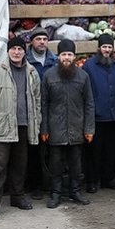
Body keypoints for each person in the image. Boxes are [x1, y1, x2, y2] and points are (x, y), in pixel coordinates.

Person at [0, 36, 41, 221]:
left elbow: (37, 101)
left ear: (25, 51)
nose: (16, 52)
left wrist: (36, 124)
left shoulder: (32, 72)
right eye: (13, 49)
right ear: (8, 51)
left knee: (20, 165)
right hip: (3, 127)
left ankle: (17, 197)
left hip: (23, 126)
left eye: (20, 49)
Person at [41, 39, 95, 207]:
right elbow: (43, 104)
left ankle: (76, 192)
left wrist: (89, 129)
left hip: (76, 128)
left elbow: (89, 103)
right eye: (63, 54)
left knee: (76, 164)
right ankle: (55, 193)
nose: (66, 58)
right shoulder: (49, 76)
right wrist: (44, 129)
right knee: (55, 163)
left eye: (70, 54)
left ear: (74, 56)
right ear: (58, 56)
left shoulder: (83, 76)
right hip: (55, 129)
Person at [82, 34, 115, 193]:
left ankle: (108, 178)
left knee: (111, 150)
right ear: (99, 48)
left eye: (109, 47)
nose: (107, 50)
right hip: (96, 117)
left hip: (114, 116)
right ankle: (92, 180)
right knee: (94, 151)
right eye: (104, 47)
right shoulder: (89, 66)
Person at [24, 26, 57, 200]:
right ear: (32, 41)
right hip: (33, 110)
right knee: (34, 149)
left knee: (53, 150)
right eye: (38, 39)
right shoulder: (26, 60)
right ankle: (35, 185)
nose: (42, 42)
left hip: (52, 110)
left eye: (44, 39)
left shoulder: (54, 60)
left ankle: (52, 185)